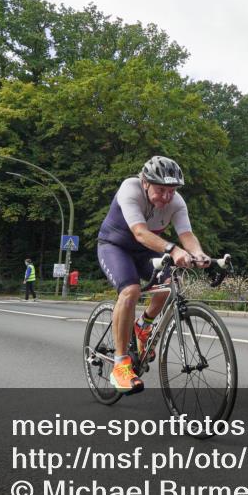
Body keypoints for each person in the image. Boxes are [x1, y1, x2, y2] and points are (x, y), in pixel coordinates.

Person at [96, 156, 211, 393]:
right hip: (115, 246)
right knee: (130, 291)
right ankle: (120, 366)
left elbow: (186, 235)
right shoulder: (130, 188)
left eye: (172, 190)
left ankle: (144, 324)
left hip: (146, 252)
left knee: (170, 282)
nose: (167, 196)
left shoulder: (176, 202)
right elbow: (139, 233)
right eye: (161, 190)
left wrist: (198, 254)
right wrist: (172, 249)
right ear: (145, 182)